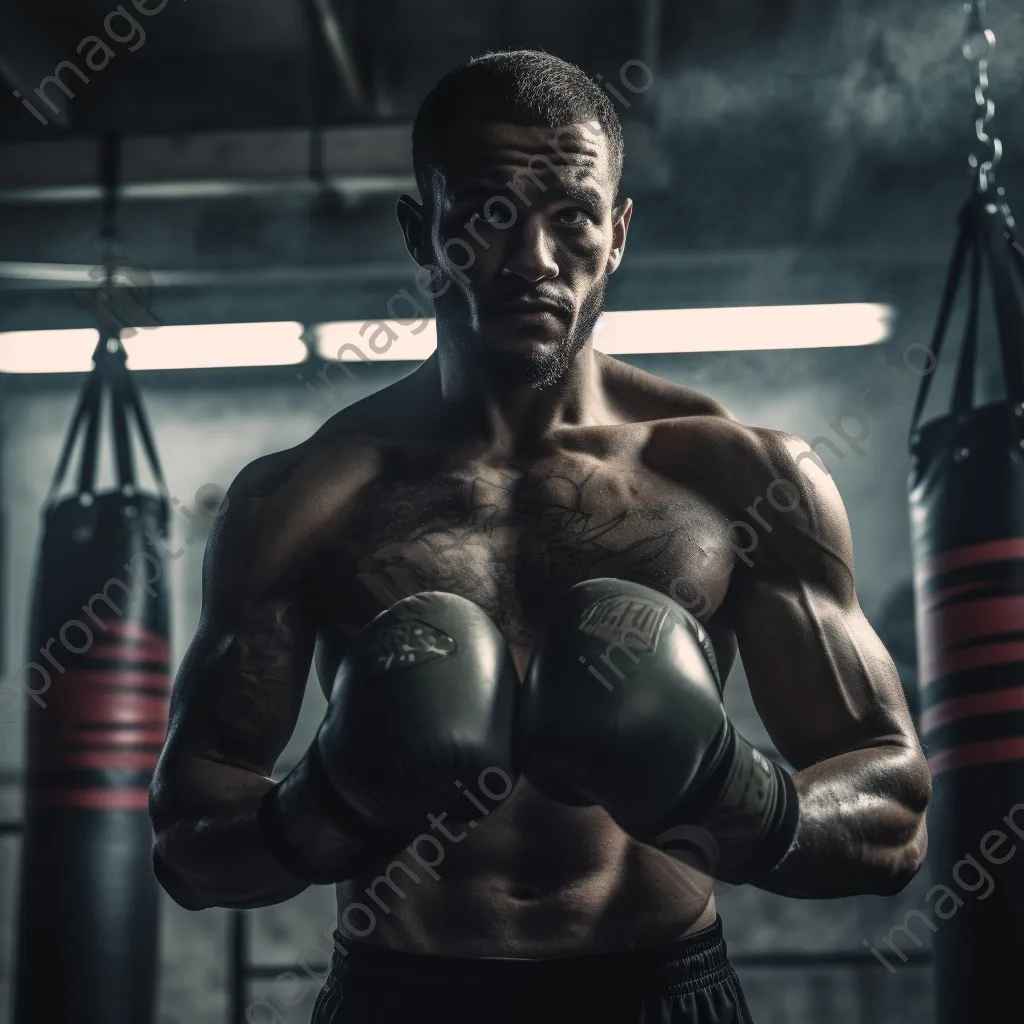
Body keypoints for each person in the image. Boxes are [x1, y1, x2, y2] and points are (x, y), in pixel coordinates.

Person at [149, 50, 931, 1024]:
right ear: (420, 234)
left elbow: (892, 812)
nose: (532, 258)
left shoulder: (743, 479)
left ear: (618, 235)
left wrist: (725, 786)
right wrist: (333, 801)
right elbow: (188, 839)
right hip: (403, 996)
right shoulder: (300, 497)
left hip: (658, 991)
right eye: (486, 211)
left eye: (572, 215)